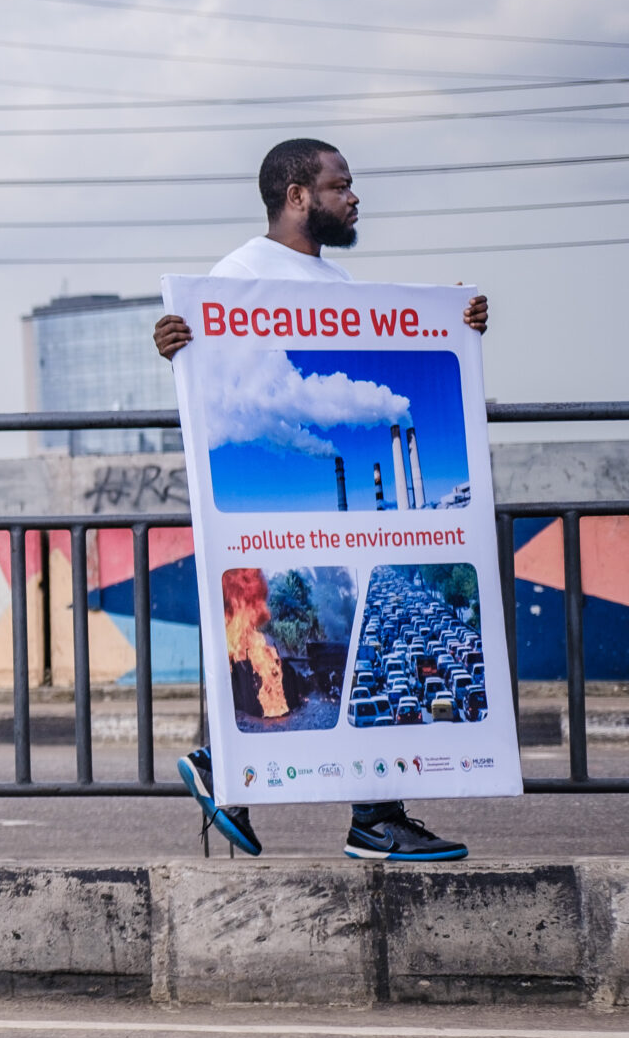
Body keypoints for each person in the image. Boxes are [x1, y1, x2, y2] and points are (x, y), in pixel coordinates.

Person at [155, 138, 487, 862]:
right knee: (280, 639)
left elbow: (381, 359)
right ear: (299, 195)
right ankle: (244, 774)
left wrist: (459, 330)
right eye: (341, 184)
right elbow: (209, 379)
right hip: (274, 508)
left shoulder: (337, 280)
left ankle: (354, 809)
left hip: (340, 518)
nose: (354, 196)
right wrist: (175, 342)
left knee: (357, 646)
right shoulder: (238, 275)